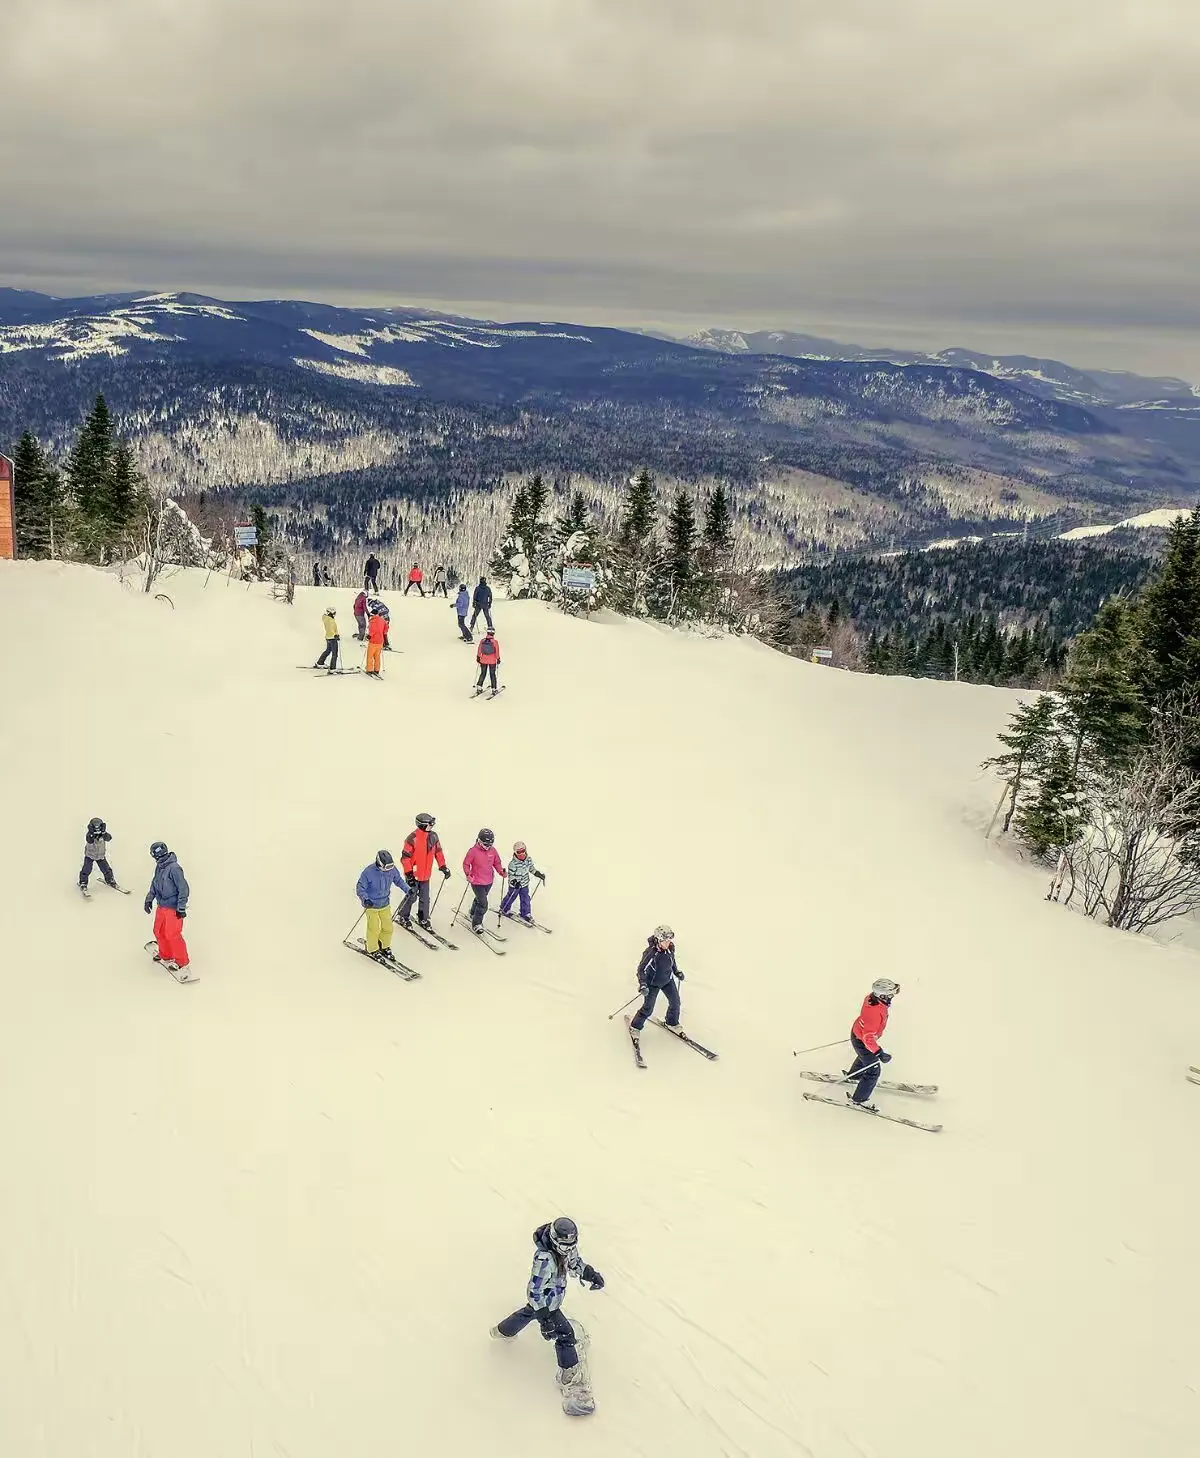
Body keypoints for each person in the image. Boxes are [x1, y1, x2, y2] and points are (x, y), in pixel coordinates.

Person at [489, 1216, 604, 1397]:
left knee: (528, 1313)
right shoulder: (544, 1259)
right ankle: (568, 1375)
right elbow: (535, 1291)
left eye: (572, 1244)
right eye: (565, 1245)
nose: (569, 1249)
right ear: (555, 1240)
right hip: (546, 1304)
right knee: (565, 1335)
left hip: (551, 1300)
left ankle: (503, 1331)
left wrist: (591, 1275)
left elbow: (574, 1264)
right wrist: (545, 1318)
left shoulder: (566, 1250)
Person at [845, 978, 900, 1109]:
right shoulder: (874, 1012)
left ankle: (854, 1076)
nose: (891, 997)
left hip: (859, 1034)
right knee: (873, 1068)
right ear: (881, 995)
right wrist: (879, 1053)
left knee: (865, 1056)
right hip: (862, 1039)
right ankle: (859, 1099)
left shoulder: (873, 999)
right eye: (890, 995)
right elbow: (868, 1038)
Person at [629, 924, 685, 1039]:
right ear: (659, 940)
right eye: (665, 940)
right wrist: (643, 984)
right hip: (652, 984)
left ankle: (671, 1022)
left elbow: (671, 961)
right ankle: (635, 1027)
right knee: (648, 1008)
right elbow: (641, 969)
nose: (668, 942)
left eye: (670, 939)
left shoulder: (670, 948)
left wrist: (676, 972)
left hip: (667, 981)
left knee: (676, 1003)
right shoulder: (651, 952)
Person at [398, 812, 451, 930]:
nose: (431, 827)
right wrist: (409, 874)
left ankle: (423, 917)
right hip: (413, 874)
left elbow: (438, 852)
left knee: (425, 898)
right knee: (411, 896)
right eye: (429, 825)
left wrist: (443, 866)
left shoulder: (433, 836)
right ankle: (403, 916)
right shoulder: (412, 838)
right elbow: (405, 858)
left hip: (426, 875)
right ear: (421, 825)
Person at [144, 841, 190, 972]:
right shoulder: (159, 867)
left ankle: (182, 961)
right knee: (158, 931)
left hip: (173, 908)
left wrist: (181, 907)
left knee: (172, 934)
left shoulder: (174, 868)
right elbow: (154, 884)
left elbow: (184, 889)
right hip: (161, 905)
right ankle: (166, 954)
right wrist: (149, 899)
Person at [355, 849, 406, 964]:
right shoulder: (368, 872)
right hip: (371, 906)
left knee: (388, 927)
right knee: (374, 928)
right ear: (379, 863)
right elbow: (360, 887)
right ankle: (372, 949)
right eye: (386, 867)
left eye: (390, 867)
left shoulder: (392, 870)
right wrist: (365, 899)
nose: (389, 870)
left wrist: (408, 890)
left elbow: (398, 880)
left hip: (385, 904)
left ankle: (384, 945)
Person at [462, 828, 505, 933]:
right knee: (483, 904)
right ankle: (477, 923)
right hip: (476, 882)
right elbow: (466, 864)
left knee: (479, 899)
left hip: (488, 881)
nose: (488, 847)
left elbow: (497, 862)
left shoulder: (493, 851)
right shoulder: (473, 851)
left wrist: (500, 871)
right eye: (485, 844)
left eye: (490, 844)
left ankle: (472, 913)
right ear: (479, 841)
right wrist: (468, 874)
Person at [500, 841, 545, 924]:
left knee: (525, 898)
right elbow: (511, 876)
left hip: (524, 884)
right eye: (518, 852)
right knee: (511, 897)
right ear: (515, 853)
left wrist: (538, 874)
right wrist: (514, 882)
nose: (521, 854)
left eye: (523, 851)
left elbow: (531, 869)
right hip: (515, 886)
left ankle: (525, 913)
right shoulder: (512, 864)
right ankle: (504, 908)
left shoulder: (528, 860)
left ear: (525, 850)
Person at [79, 816, 120, 892]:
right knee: (86, 870)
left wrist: (104, 833)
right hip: (90, 855)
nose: (97, 829)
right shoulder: (89, 835)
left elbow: (109, 838)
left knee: (106, 869)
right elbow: (89, 840)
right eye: (95, 827)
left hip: (100, 855)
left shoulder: (103, 834)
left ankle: (110, 880)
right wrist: (92, 833)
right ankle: (83, 882)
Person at [474, 630, 501, 695]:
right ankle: (494, 689)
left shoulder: (482, 641)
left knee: (483, 673)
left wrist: (478, 657)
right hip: (492, 661)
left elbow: (479, 649)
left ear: (487, 633)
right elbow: (497, 652)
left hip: (483, 660)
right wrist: (498, 659)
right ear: (493, 634)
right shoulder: (495, 642)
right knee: (492, 674)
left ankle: (479, 687)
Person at [314, 606, 340, 672]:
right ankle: (332, 668)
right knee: (335, 654)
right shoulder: (330, 620)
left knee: (328, 651)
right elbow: (330, 629)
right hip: (332, 638)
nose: (334, 614)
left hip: (328, 637)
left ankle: (320, 662)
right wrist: (335, 635)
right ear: (330, 613)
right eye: (334, 613)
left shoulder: (327, 618)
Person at [365, 607, 388, 676]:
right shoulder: (382, 620)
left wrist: (369, 636)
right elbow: (386, 628)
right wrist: (384, 635)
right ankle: (377, 669)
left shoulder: (372, 621)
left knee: (370, 656)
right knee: (377, 656)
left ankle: (369, 669)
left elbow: (373, 630)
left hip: (373, 641)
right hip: (380, 641)